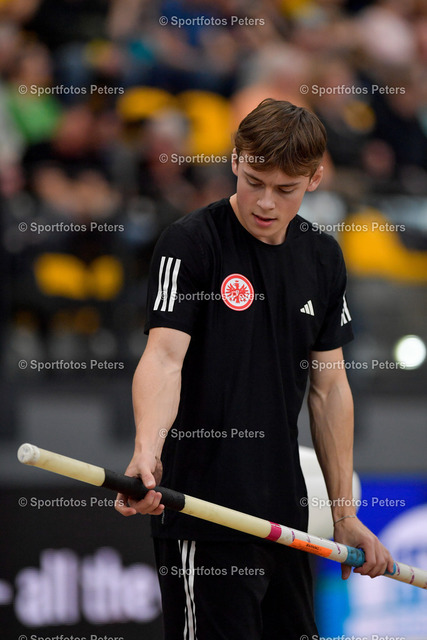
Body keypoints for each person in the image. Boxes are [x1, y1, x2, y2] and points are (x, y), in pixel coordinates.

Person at [116, 98, 394, 639]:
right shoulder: (190, 243)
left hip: (287, 520)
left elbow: (330, 388)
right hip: (203, 511)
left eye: (285, 189)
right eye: (253, 181)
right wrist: (147, 453)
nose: (265, 202)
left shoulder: (322, 256)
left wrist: (343, 515)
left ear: (315, 179)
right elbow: (164, 358)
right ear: (235, 161)